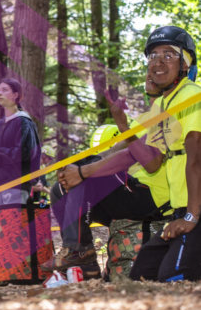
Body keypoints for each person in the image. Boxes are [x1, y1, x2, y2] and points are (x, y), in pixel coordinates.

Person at [56, 26, 201, 281]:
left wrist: (191, 215)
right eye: (153, 56)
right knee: (141, 277)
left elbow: (194, 157)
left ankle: (83, 253)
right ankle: (82, 253)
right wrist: (81, 167)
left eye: (169, 55)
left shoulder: (191, 96)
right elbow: (150, 159)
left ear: (185, 63)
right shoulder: (163, 107)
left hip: (182, 206)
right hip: (178, 209)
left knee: (175, 279)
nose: (157, 62)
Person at [41, 74, 171, 272]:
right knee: (60, 188)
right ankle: (86, 260)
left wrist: (84, 170)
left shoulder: (168, 114)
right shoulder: (143, 119)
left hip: (153, 199)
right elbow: (111, 152)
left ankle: (78, 249)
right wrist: (72, 167)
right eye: (149, 68)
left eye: (157, 72)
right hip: (130, 195)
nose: (150, 73)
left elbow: (132, 154)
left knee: (87, 177)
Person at [0, 78, 41, 207]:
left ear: (15, 95)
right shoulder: (1, 123)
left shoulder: (24, 122)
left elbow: (26, 152)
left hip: (16, 184)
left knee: (14, 225)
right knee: (1, 226)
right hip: (0, 183)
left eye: (4, 90)